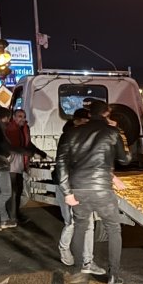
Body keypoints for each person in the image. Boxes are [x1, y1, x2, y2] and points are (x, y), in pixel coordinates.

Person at [56, 100, 131, 284]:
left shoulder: (71, 133)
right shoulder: (112, 132)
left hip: (79, 188)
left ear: (89, 114)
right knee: (113, 228)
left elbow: (61, 163)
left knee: (80, 227)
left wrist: (66, 191)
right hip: (102, 189)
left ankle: (80, 270)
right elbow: (125, 158)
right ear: (106, 113)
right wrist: (119, 132)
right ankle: (113, 276)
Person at [54, 108, 96, 268]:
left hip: (83, 186)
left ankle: (88, 260)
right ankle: (64, 249)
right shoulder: (68, 137)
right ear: (76, 121)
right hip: (68, 186)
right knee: (71, 222)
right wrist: (66, 191)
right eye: (84, 122)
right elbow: (62, 165)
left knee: (89, 224)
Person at [0, 107, 30, 231]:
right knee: (6, 193)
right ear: (5, 117)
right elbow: (2, 146)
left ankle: (4, 220)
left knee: (0, 194)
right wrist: (9, 155)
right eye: (8, 117)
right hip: (0, 165)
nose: (8, 120)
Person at [5, 108, 47, 224]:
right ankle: (11, 217)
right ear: (13, 117)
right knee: (13, 191)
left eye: (23, 117)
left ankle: (15, 214)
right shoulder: (10, 129)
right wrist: (28, 152)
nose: (22, 119)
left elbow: (28, 143)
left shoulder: (24, 128)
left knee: (18, 190)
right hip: (11, 163)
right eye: (19, 116)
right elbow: (12, 147)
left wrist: (39, 151)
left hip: (20, 163)